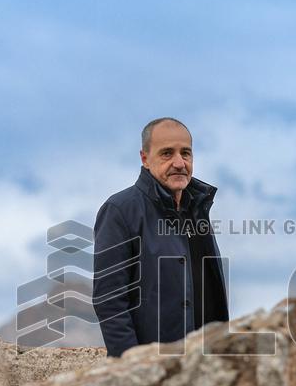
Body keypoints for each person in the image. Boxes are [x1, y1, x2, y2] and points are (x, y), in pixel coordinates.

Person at [92, 117, 229, 357]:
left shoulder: (197, 211)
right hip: (151, 370)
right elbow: (109, 301)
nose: (179, 162)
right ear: (145, 159)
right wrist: (133, 366)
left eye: (186, 153)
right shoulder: (120, 210)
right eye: (167, 153)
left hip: (204, 365)